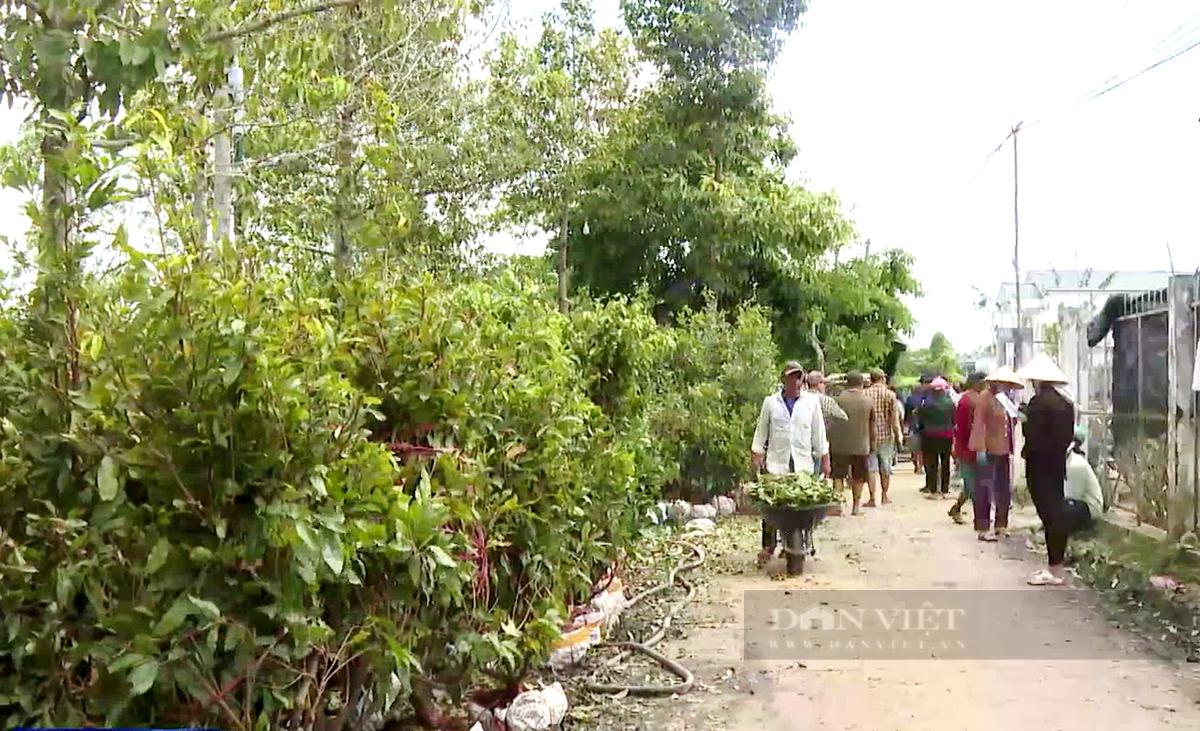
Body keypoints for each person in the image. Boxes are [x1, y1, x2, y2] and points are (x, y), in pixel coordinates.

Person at [751, 361, 831, 568]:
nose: (796, 382)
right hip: (777, 466)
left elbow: (819, 435)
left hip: (803, 468)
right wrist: (756, 459)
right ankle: (768, 546)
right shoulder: (770, 403)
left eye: (799, 378)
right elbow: (761, 434)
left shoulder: (811, 402)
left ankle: (804, 539)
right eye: (791, 378)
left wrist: (825, 462)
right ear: (783, 380)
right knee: (772, 508)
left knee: (803, 510)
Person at [1016, 354, 1077, 586]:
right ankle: (1056, 567)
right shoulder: (1065, 402)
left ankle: (1055, 571)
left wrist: (1024, 420)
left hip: (1040, 464)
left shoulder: (1040, 402)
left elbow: (1033, 434)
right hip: (1056, 463)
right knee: (1055, 512)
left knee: (1050, 515)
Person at [968, 366, 1023, 540]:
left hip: (1003, 450)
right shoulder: (985, 398)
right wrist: (980, 448)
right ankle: (983, 528)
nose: (1007, 387)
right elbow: (979, 424)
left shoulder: (1005, 399)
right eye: (1004, 383)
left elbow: (1011, 422)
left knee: (1003, 489)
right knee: (984, 488)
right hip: (988, 449)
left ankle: (1001, 524)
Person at [827, 371, 876, 515]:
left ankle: (837, 506)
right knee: (859, 477)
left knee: (838, 476)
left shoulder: (836, 400)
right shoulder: (868, 401)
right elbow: (872, 425)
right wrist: (873, 444)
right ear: (861, 383)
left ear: (846, 383)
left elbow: (831, 423)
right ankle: (856, 507)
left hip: (839, 445)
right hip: (861, 445)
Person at [948, 371, 987, 524]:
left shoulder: (967, 399)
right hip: (970, 448)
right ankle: (980, 520)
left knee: (971, 484)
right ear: (977, 382)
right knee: (973, 485)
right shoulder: (971, 401)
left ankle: (957, 509)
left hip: (967, 447)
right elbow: (967, 427)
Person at [864, 369, 902, 505]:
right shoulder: (890, 394)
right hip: (886, 436)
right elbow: (894, 419)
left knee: (871, 468)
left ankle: (872, 497)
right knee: (885, 467)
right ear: (882, 378)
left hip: (868, 437)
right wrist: (898, 437)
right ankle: (884, 496)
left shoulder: (865, 394)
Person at [917, 377, 955, 498]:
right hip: (947, 435)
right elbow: (954, 419)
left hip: (930, 435)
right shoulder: (950, 402)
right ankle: (944, 489)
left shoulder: (927, 403)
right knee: (945, 462)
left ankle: (933, 489)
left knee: (932, 463)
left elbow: (921, 419)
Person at [1064, 424, 1103, 532]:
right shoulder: (1067, 462)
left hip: (1090, 506)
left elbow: (1073, 495)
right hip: (1078, 502)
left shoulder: (1076, 465)